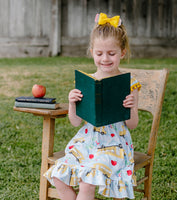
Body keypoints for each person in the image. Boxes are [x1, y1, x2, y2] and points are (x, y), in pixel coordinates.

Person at [44, 13, 141, 200]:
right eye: (99, 53)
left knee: (86, 183)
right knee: (57, 176)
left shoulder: (129, 84)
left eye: (111, 53)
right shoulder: (87, 82)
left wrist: (131, 107)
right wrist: (72, 103)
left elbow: (133, 124)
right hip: (87, 142)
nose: (105, 58)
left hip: (114, 145)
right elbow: (75, 122)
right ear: (92, 52)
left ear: (122, 53)